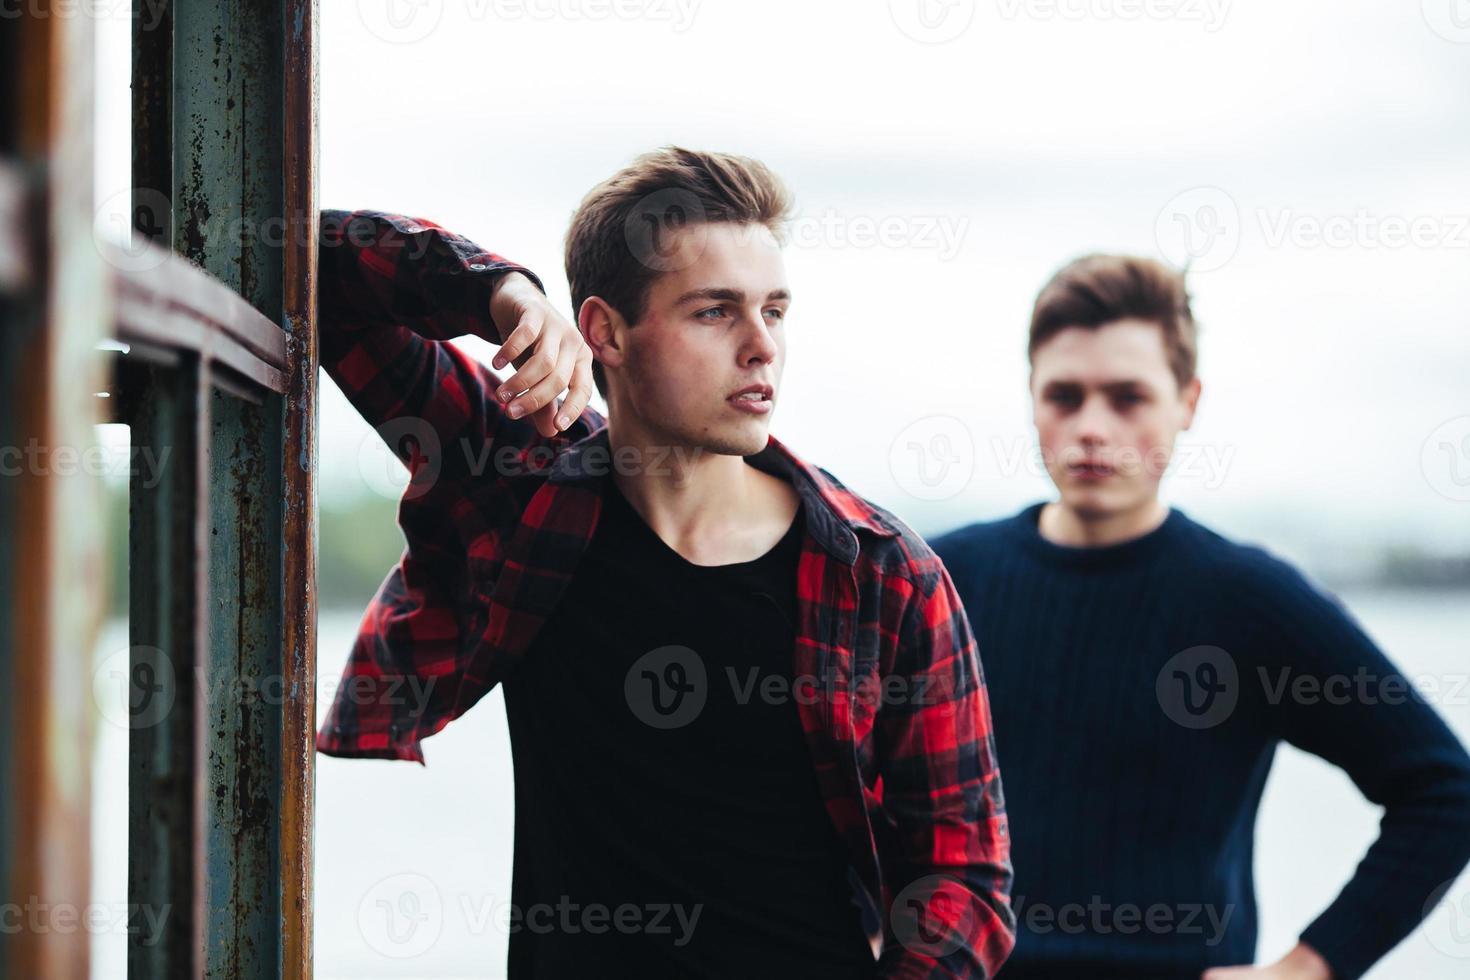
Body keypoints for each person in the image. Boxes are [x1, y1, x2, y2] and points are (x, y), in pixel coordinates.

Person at [314, 147, 1015, 978]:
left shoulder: (883, 575)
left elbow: (963, 883)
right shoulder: (524, 489)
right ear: (604, 331)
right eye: (716, 312)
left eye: (776, 311)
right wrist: (497, 291)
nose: (762, 347)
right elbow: (321, 270)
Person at [931, 254, 1470, 979]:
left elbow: (1446, 793)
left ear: (1188, 400)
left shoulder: (1247, 598)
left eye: (1127, 397)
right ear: (1030, 396)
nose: (1092, 427)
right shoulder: (936, 582)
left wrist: (1308, 968)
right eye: (1064, 395)